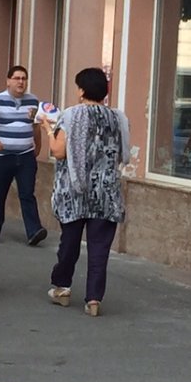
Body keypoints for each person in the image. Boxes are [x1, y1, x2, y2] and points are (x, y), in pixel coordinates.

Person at [45, 67, 130, 317]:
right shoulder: (118, 118)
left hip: (74, 191)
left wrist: (48, 131)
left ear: (81, 90)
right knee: (99, 248)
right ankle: (94, 299)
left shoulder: (71, 115)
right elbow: (125, 154)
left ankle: (62, 287)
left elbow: (59, 152)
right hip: (106, 192)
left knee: (69, 243)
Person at [0, 65, 47, 246]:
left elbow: (35, 126)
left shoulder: (33, 101)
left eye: (24, 78)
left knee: (27, 193)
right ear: (8, 81)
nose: (21, 82)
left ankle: (34, 231)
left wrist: (37, 146)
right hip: (2, 156)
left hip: (25, 155)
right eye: (17, 78)